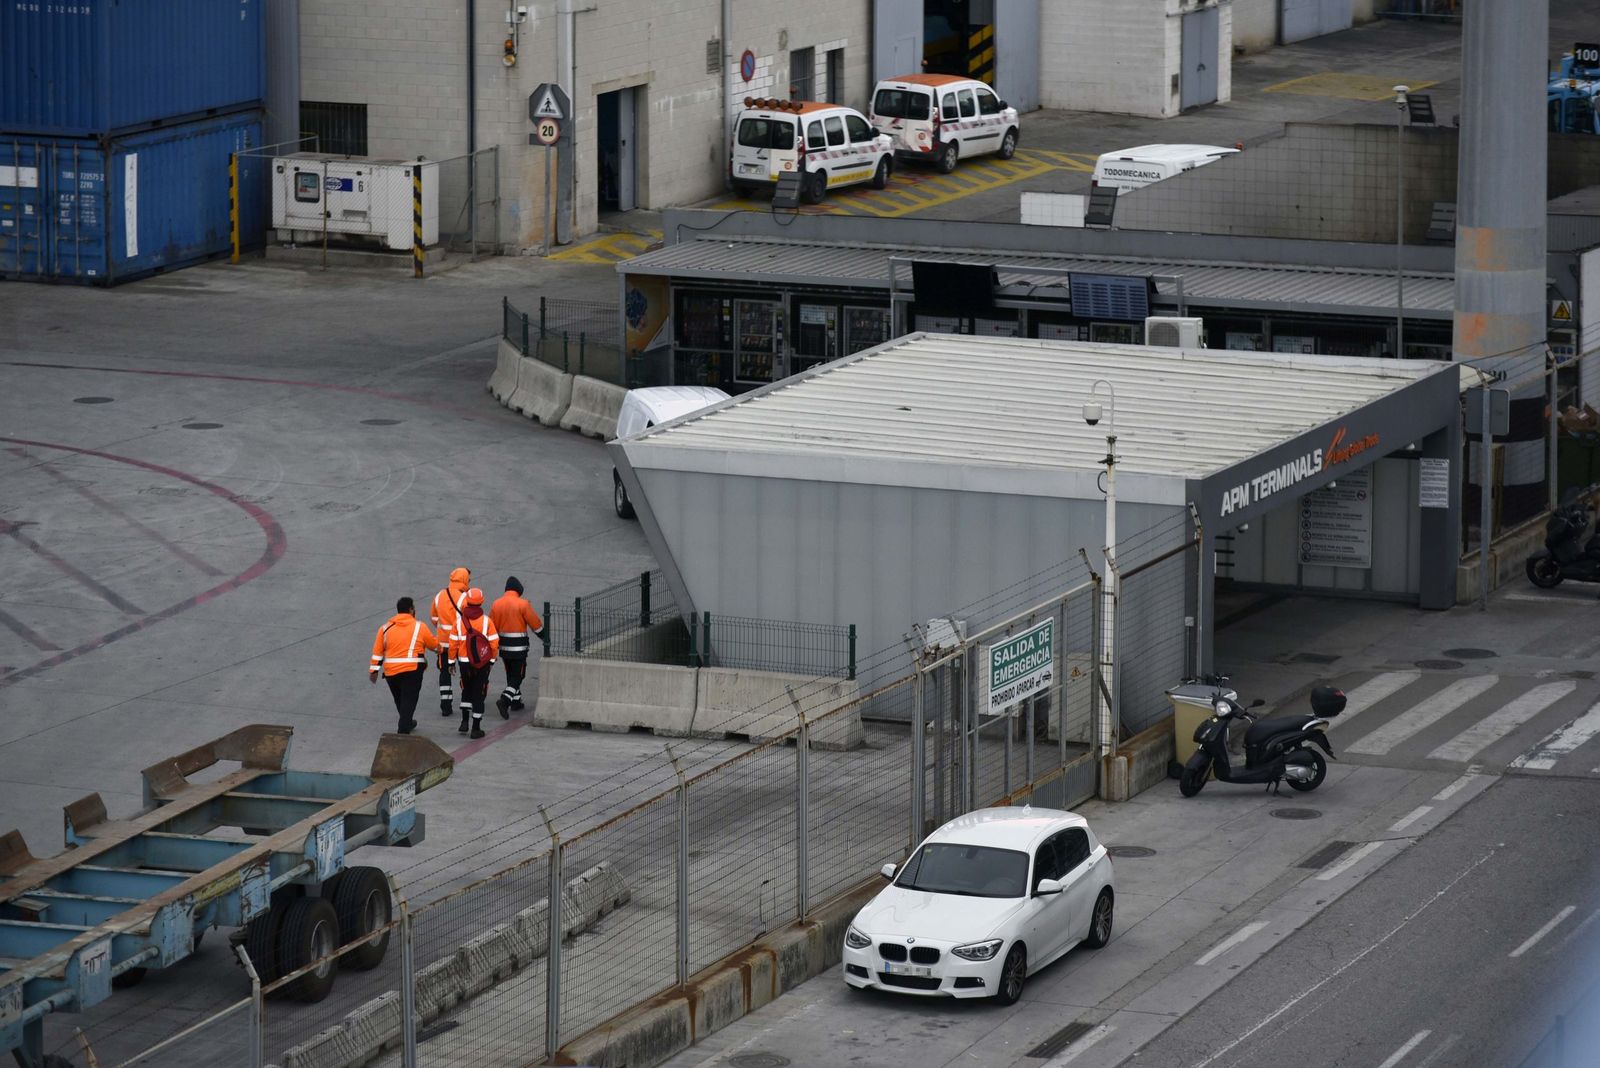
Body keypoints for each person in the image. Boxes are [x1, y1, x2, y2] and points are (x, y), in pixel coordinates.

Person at [369, 597, 441, 734]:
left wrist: (374, 670)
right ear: (411, 610)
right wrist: (442, 648)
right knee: (409, 699)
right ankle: (403, 729)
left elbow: (377, 652)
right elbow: (433, 645)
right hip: (412, 670)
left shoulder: (384, 628)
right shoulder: (420, 626)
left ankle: (407, 721)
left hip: (391, 673)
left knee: (400, 700)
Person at [491, 577, 545, 718]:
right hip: (519, 648)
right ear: (518, 590)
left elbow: (491, 627)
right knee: (518, 675)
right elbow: (536, 625)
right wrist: (545, 637)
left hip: (504, 648)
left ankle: (516, 701)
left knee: (510, 673)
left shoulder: (496, 604)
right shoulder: (523, 604)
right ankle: (505, 700)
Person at [451, 587, 500, 739]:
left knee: (466, 689)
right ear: (481, 602)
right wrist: (491, 661)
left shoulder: (459, 622)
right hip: (481, 664)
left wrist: (451, 662)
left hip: (464, 663)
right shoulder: (487, 622)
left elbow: (453, 644)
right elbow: (494, 644)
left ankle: (464, 722)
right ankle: (476, 728)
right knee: (478, 693)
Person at [431, 566, 471, 718]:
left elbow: (434, 617)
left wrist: (441, 629)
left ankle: (445, 704)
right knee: (464, 670)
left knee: (444, 671)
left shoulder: (439, 595)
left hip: (442, 642)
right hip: (459, 643)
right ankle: (467, 701)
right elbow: (469, 620)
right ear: (464, 579)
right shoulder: (463, 598)